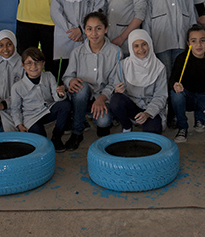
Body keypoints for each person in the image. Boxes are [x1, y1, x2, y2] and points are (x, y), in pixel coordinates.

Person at [63, 12, 121, 150]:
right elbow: (67, 76)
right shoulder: (77, 52)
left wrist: (101, 98)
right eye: (89, 29)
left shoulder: (116, 52)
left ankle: (103, 123)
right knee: (81, 88)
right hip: (81, 98)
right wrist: (70, 82)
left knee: (104, 121)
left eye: (98, 28)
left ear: (106, 29)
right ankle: (77, 132)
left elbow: (115, 82)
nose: (94, 33)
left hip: (102, 97)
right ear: (84, 30)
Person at [169, 25, 205, 142]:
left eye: (202, 40)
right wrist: (175, 84)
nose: (198, 45)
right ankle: (182, 127)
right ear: (188, 43)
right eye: (194, 41)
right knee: (176, 95)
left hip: (204, 97)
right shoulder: (182, 58)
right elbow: (173, 78)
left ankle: (199, 117)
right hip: (186, 96)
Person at [11, 48, 71, 152]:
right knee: (42, 143)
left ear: (43, 64)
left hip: (48, 110)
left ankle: (56, 136)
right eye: (29, 63)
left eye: (37, 62)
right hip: (31, 117)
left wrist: (60, 94)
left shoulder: (49, 76)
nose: (33, 66)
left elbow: (56, 99)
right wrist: (19, 124)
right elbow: (15, 109)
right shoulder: (17, 87)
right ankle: (41, 135)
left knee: (65, 105)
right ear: (23, 66)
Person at [109, 29, 168, 134]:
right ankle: (127, 126)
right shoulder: (123, 66)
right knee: (116, 100)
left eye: (144, 44)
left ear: (149, 44)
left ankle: (146, 121)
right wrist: (116, 90)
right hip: (132, 106)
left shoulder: (159, 67)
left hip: (150, 109)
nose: (141, 49)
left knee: (152, 135)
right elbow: (115, 87)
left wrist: (147, 113)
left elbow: (161, 96)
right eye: (136, 46)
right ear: (131, 48)